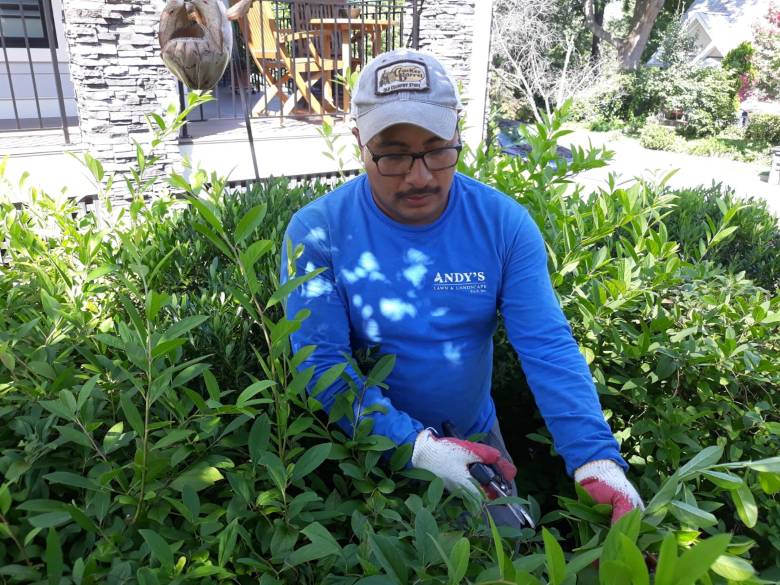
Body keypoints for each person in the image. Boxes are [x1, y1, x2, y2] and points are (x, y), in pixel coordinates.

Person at [280, 48, 643, 527]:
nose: (420, 175)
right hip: (367, 455)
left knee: (510, 557)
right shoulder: (316, 232)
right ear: (359, 144)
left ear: (458, 132)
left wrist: (594, 457)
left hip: (480, 441)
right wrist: (419, 449)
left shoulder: (503, 224)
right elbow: (321, 363)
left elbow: (547, 345)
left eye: (437, 148)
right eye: (392, 154)